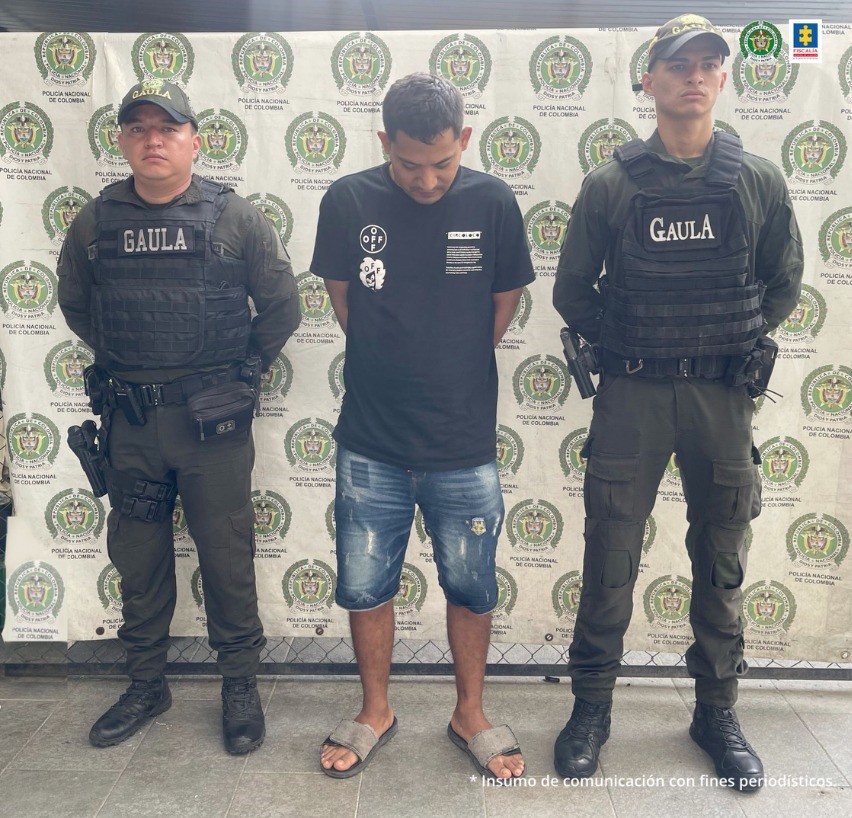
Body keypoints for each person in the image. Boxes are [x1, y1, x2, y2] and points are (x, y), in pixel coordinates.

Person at [552, 15, 803, 791]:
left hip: (720, 398)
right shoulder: (612, 184)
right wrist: (631, 341)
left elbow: (783, 282)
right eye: (676, 64)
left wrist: (726, 336)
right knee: (610, 557)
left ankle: (716, 711)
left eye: (707, 64)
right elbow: (571, 292)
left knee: (721, 559)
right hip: (632, 393)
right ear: (649, 81)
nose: (693, 76)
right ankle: (591, 707)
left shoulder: (756, 179)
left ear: (723, 79)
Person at [57, 79, 300, 753]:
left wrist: (239, 373)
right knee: (138, 559)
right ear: (122, 140)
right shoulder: (95, 221)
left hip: (211, 427)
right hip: (131, 425)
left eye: (167, 128)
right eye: (138, 129)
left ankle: (240, 685)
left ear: (196, 139)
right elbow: (78, 305)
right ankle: (145, 684)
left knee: (225, 556)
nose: (153, 140)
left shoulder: (234, 218)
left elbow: (281, 307)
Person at [310, 72, 535, 780]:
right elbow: (346, 305)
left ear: (464, 139)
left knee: (472, 586)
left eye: (443, 162)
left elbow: (502, 305)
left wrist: (448, 366)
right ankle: (375, 708)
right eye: (410, 164)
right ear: (385, 143)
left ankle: (470, 710)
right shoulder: (348, 200)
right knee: (365, 582)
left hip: (462, 441)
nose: (428, 180)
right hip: (370, 438)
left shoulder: (494, 202)